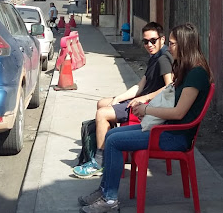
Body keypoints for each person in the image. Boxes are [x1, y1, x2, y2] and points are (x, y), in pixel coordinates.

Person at [77, 22, 212, 213]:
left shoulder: (197, 74)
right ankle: (106, 190)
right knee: (112, 134)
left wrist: (147, 109)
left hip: (173, 137)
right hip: (165, 130)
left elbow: (178, 113)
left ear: (183, 45)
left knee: (113, 141)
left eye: (172, 43)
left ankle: (110, 201)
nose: (169, 47)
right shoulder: (188, 69)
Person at [72, 21, 173, 178]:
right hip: (141, 100)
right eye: (146, 41)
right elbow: (140, 85)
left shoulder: (164, 59)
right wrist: (118, 98)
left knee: (102, 114)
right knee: (102, 103)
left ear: (162, 39)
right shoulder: (154, 57)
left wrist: (144, 98)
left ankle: (100, 162)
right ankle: (109, 149)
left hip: (147, 106)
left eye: (153, 40)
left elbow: (169, 87)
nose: (149, 45)